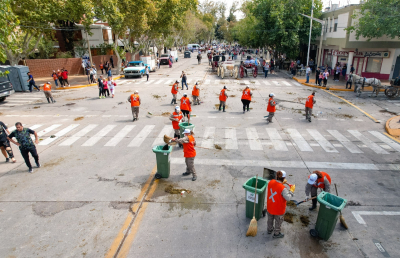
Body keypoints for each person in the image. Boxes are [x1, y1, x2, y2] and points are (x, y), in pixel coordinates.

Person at [266, 171, 294, 238]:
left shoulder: (270, 182)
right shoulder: (283, 189)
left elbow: (275, 183)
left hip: (270, 207)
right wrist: (291, 191)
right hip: (278, 210)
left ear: (276, 176)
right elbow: (288, 198)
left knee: (270, 220)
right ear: (284, 178)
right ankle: (276, 233)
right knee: (278, 222)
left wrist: (281, 182)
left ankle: (269, 230)